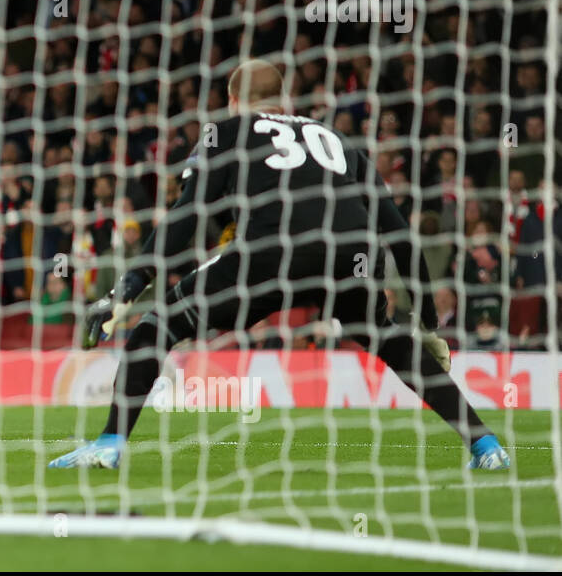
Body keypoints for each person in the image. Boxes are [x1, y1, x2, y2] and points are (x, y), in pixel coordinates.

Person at [51, 59, 509, 471]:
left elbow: (185, 217)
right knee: (390, 340)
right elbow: (399, 236)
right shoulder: (338, 141)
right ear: (286, 101)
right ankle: (485, 443)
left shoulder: (226, 132)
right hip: (349, 256)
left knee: (159, 326)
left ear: (233, 101)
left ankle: (110, 443)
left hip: (272, 253)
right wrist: (427, 322)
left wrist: (127, 289)